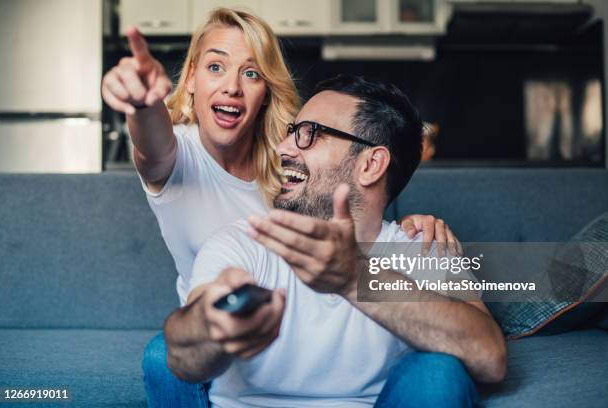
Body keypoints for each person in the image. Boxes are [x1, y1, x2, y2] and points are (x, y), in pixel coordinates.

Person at [101, 8, 463, 406]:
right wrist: (142, 105)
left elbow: (350, 198)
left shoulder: (287, 157)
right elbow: (152, 145)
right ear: (190, 80)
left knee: (437, 366)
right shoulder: (178, 154)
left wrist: (410, 226)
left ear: (266, 92)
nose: (232, 87)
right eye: (216, 67)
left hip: (293, 327)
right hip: (212, 332)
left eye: (251, 73)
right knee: (161, 355)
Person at [164, 75, 507, 407]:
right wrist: (212, 325)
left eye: (309, 134)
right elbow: (181, 358)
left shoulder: (420, 246)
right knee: (160, 352)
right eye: (291, 132)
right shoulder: (243, 242)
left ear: (371, 164)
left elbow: (490, 358)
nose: (283, 148)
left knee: (438, 373)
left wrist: (354, 277)